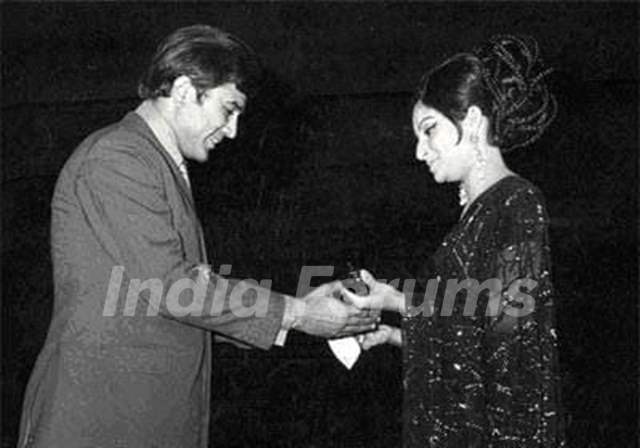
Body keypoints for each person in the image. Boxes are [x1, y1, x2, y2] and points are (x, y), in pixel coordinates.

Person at [18, 24, 378, 448]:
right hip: (102, 420)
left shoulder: (159, 166)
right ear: (187, 90)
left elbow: (177, 301)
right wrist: (296, 313)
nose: (234, 130)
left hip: (141, 420)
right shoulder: (118, 159)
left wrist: (304, 314)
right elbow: (172, 288)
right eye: (229, 109)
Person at [345, 35, 566, 447]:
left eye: (429, 131)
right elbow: (476, 332)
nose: (419, 151)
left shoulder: (516, 202)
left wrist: (396, 302)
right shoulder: (480, 211)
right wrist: (397, 335)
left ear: (474, 122)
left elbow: (511, 332)